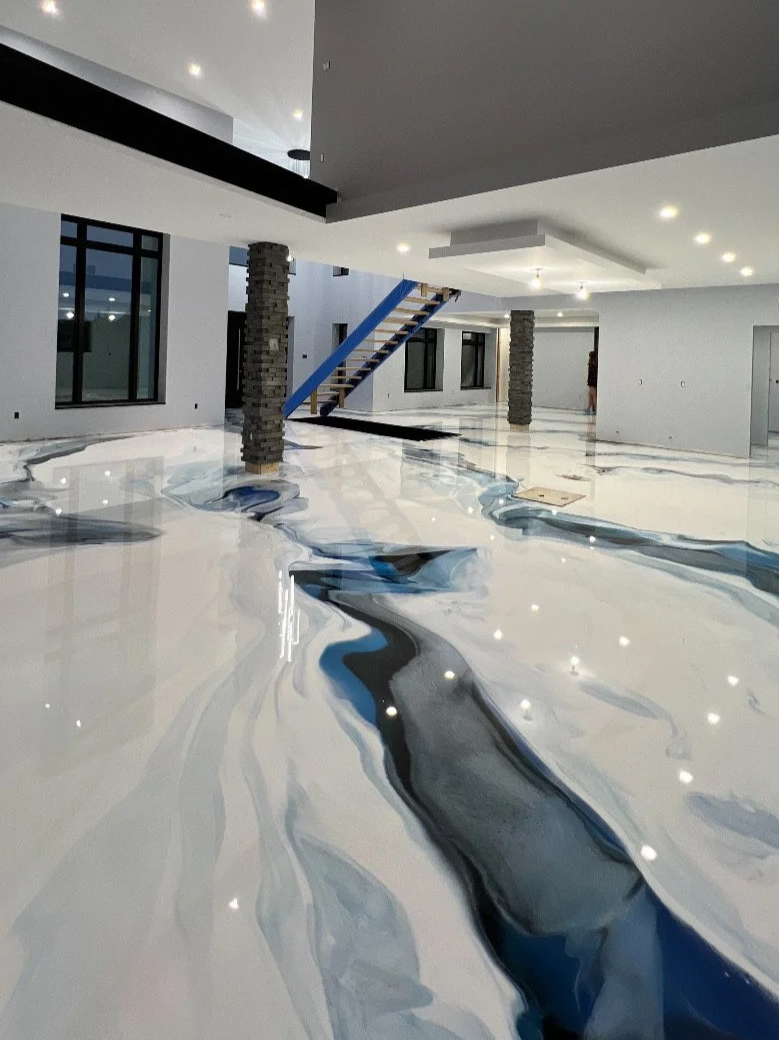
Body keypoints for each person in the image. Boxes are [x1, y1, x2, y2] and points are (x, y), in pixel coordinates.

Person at [587, 349, 598, 414]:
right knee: (590, 395)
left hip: (591, 382)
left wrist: (589, 382)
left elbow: (590, 375)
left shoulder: (591, 365)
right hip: (593, 382)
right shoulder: (594, 365)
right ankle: (588, 408)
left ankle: (596, 410)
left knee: (593, 395)